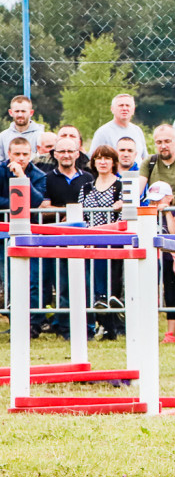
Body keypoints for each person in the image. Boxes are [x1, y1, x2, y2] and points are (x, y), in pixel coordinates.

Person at [140, 124, 175, 343]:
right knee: (166, 279)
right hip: (157, 227)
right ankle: (167, 330)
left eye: (167, 141)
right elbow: (140, 186)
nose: (163, 145)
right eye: (159, 142)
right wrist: (130, 204)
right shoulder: (150, 162)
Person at [41, 137, 95, 339]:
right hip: (57, 238)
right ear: (54, 154)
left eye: (70, 151)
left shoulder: (88, 178)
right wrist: (66, 213)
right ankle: (65, 329)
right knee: (63, 286)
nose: (66, 155)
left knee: (85, 285)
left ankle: (88, 328)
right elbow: (42, 208)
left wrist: (75, 216)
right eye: (61, 151)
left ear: (77, 153)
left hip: (84, 238)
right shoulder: (47, 178)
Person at [0, 137, 47, 336]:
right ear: (9, 154)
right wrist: (18, 201)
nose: (21, 158)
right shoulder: (0, 171)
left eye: (25, 154)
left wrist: (21, 178)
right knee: (8, 278)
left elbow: (35, 202)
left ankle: (34, 323)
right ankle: (16, 321)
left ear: (31, 154)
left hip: (29, 234)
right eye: (17, 154)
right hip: (3, 235)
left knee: (32, 278)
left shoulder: (38, 175)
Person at [78, 145, 124, 340]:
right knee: (94, 284)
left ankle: (110, 323)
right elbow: (81, 214)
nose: (103, 162)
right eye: (99, 158)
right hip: (91, 240)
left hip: (114, 240)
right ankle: (104, 324)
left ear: (113, 162)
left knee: (109, 286)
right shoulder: (86, 187)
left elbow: (124, 216)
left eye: (107, 158)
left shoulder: (120, 186)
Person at [89, 94, 149, 164]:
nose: (124, 108)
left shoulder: (137, 130)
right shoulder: (103, 132)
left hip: (137, 174)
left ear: (133, 110)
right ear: (112, 109)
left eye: (128, 105)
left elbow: (144, 157)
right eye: (121, 105)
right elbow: (93, 159)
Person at [0, 95, 45, 160]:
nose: (20, 115)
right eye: (17, 111)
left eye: (23, 111)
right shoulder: (2, 137)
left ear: (31, 112)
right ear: (10, 112)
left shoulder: (40, 136)